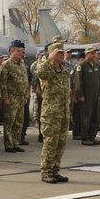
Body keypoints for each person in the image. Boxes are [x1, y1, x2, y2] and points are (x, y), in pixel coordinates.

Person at [35, 43, 71, 183]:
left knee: (60, 144)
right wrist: (49, 58)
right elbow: (39, 72)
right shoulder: (47, 69)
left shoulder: (64, 71)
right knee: (50, 143)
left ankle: (55, 170)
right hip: (51, 114)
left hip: (63, 113)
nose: (62, 55)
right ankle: (46, 172)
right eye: (58, 53)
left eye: (62, 53)